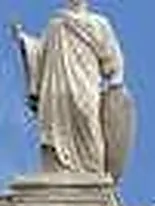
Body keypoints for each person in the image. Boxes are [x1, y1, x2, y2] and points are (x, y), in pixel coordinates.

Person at [11, 0, 127, 177]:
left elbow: (113, 57)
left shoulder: (99, 23)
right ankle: (58, 169)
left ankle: (92, 170)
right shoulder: (55, 24)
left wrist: (116, 82)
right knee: (57, 123)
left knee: (88, 119)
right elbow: (40, 54)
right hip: (57, 85)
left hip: (85, 83)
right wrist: (24, 41)